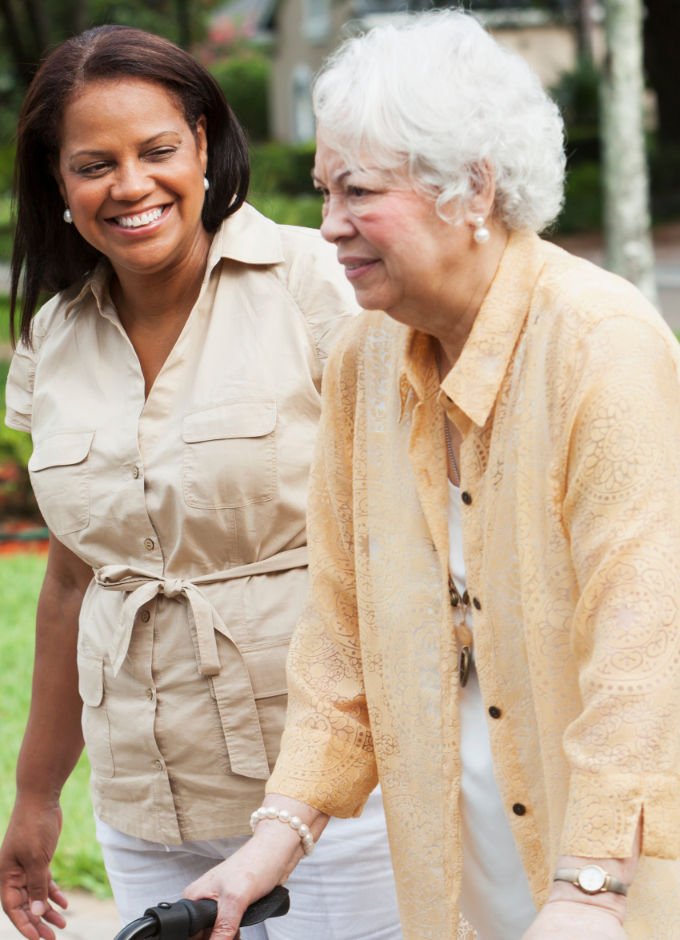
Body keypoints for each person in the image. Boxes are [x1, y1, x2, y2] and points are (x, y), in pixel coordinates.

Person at [181, 10, 680, 940]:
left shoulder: (601, 348)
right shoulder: (364, 361)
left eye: (358, 190)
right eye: (326, 189)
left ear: (473, 189)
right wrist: (275, 839)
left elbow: (644, 647)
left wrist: (587, 892)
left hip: (609, 883)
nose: (327, 225)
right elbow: (341, 631)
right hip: (454, 867)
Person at [0, 25, 402, 940]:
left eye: (157, 151)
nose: (131, 185)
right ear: (58, 185)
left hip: (331, 794)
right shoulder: (55, 337)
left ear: (206, 146)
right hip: (145, 799)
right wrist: (35, 795)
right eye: (94, 164)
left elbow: (415, 529)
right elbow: (68, 583)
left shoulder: (319, 285)